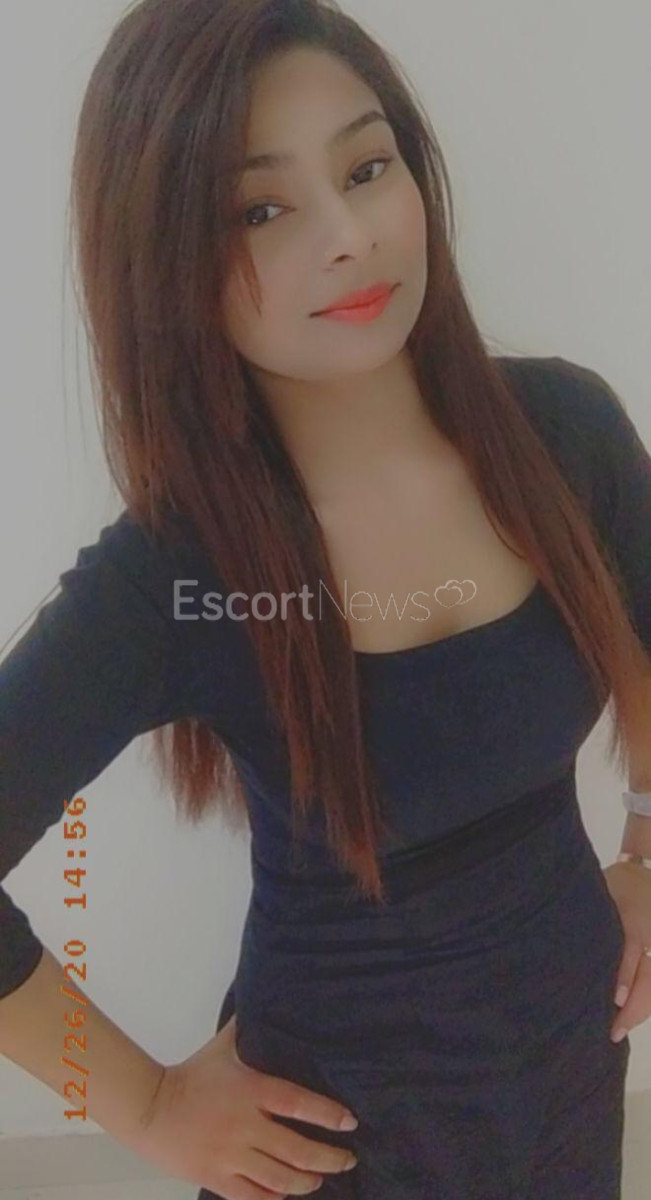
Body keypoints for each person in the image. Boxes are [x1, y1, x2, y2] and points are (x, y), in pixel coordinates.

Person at [1, 1, 650, 1197]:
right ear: (166, 259)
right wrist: (145, 1105)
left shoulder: (566, 434)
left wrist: (650, 846)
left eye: (365, 168)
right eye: (259, 209)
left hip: (569, 1066)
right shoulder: (174, 574)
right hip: (332, 1139)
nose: (350, 236)